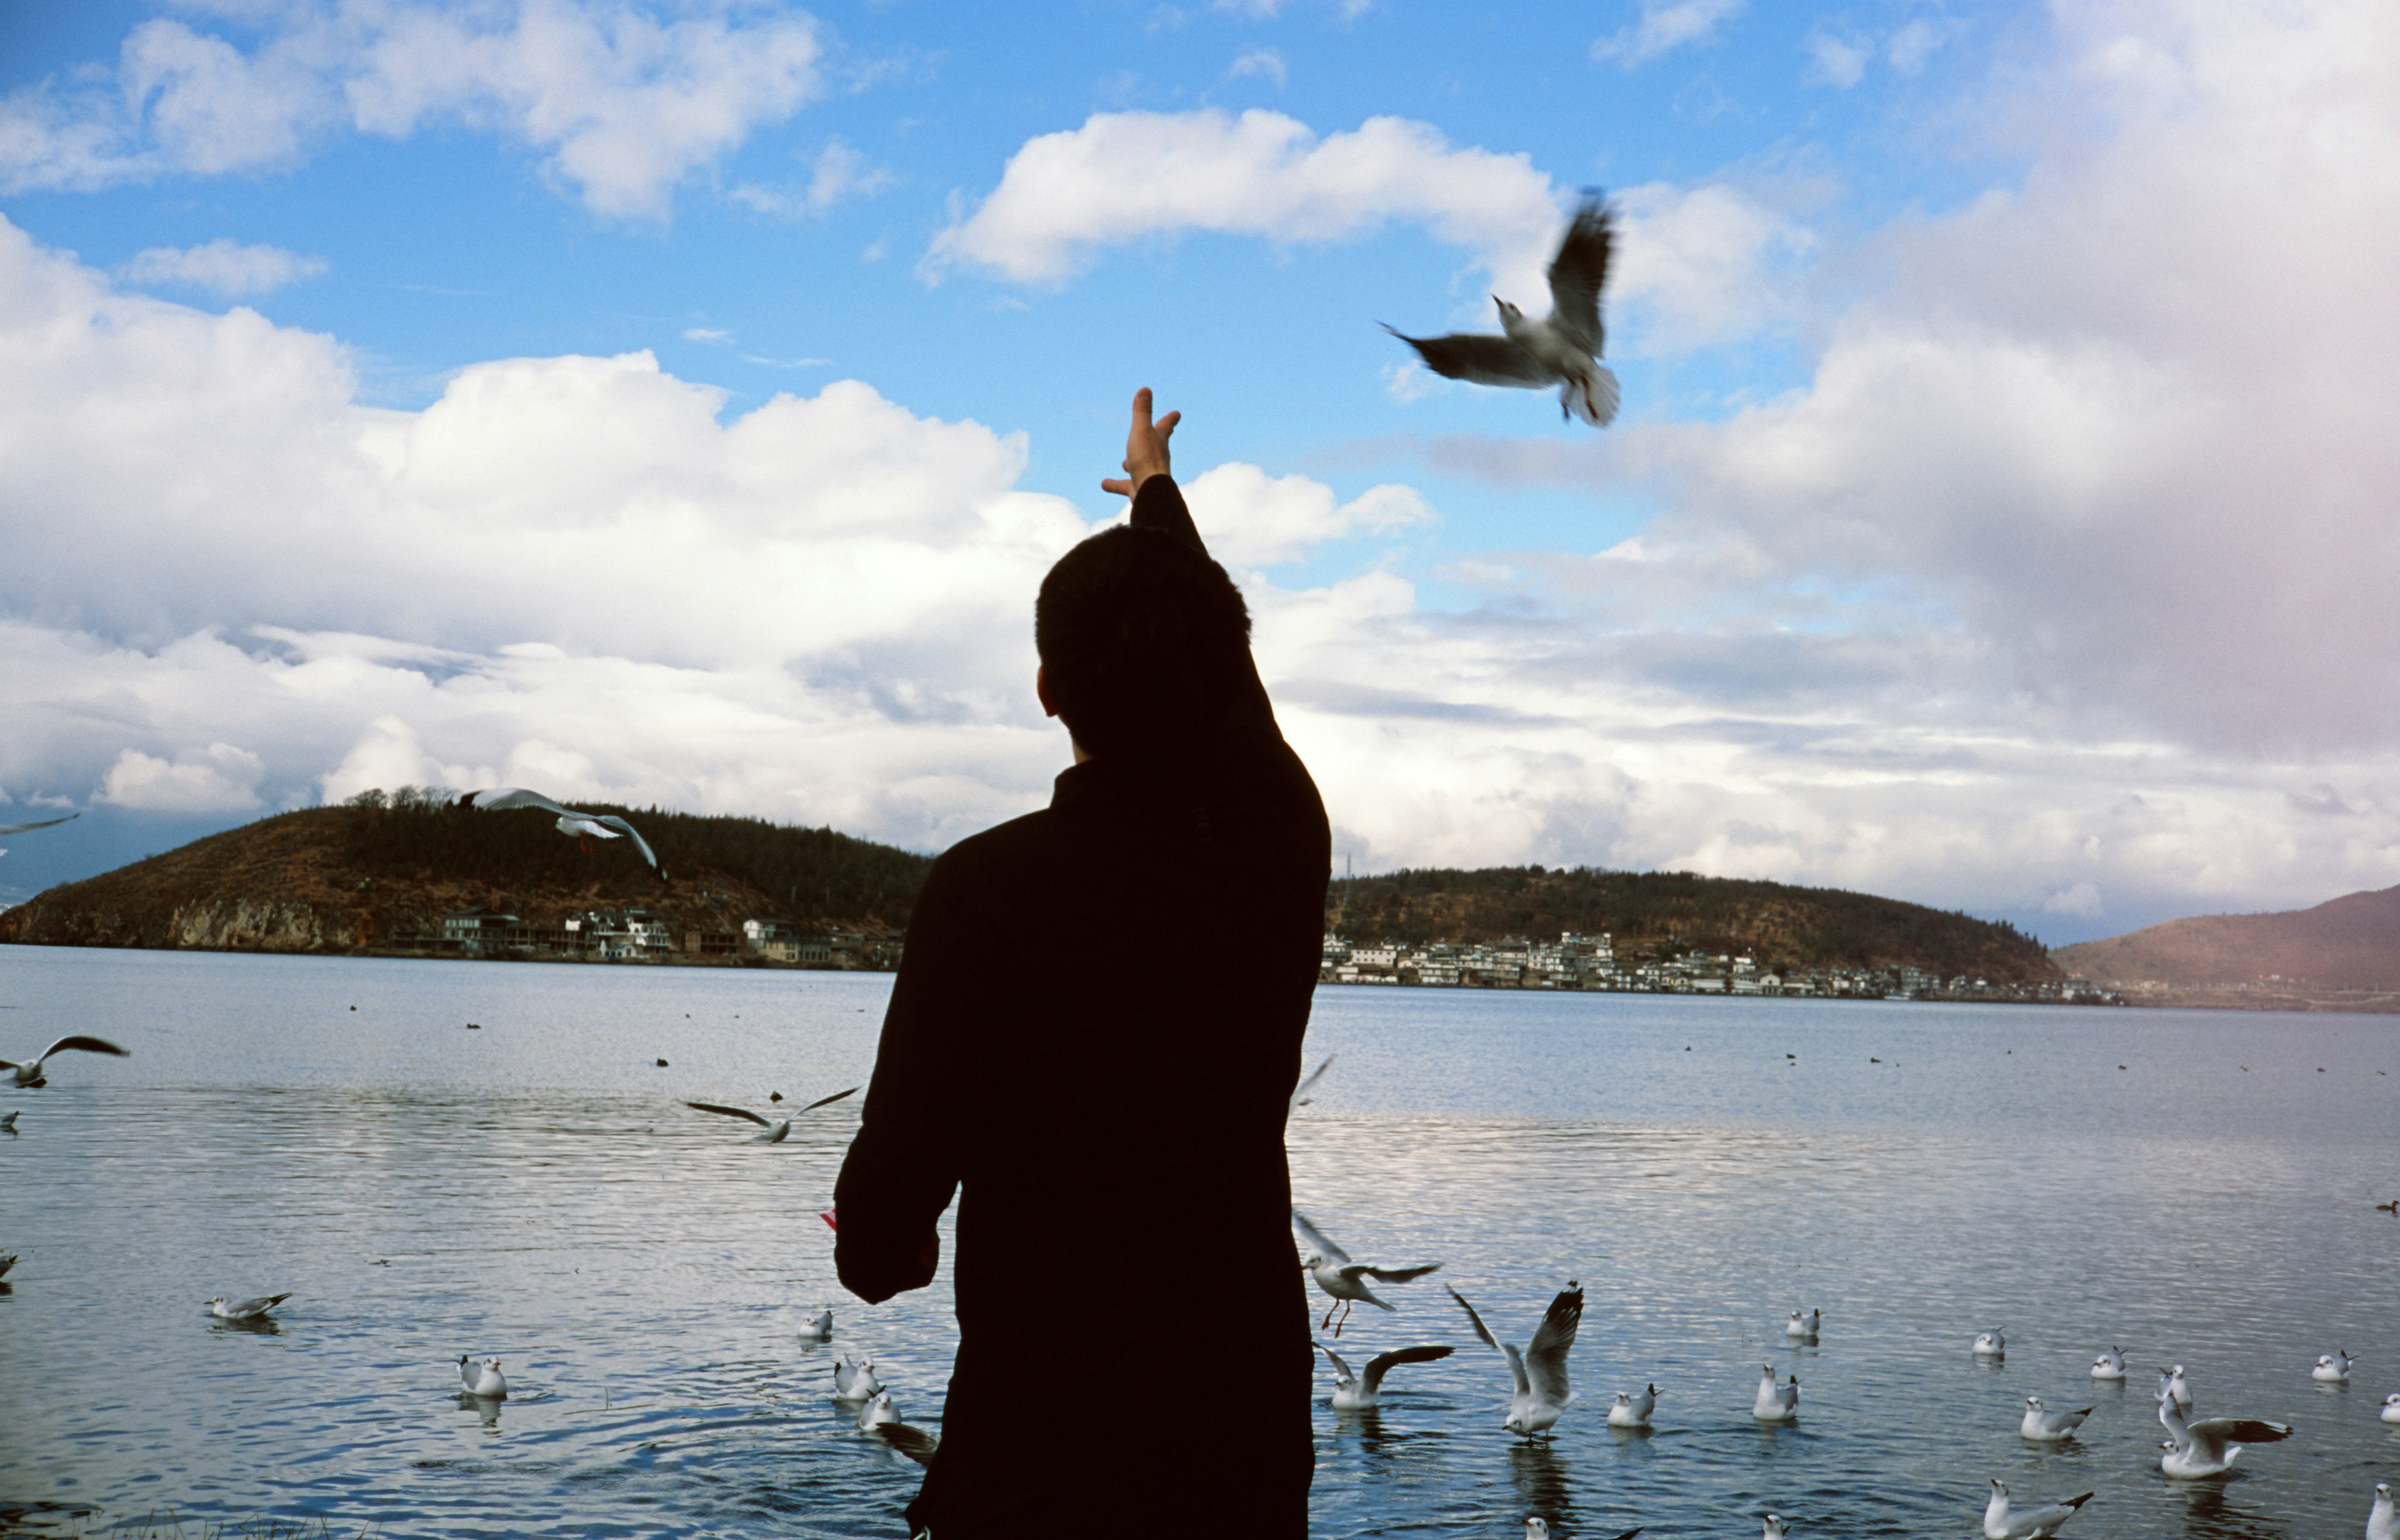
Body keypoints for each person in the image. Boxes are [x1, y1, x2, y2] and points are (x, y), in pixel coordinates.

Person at [832, 389, 1330, 1538]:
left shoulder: (987, 889)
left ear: (1050, 693)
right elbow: (1229, 673)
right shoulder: (1277, 839)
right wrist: (1158, 499)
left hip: (1043, 1465)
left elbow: (879, 1234)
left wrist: (888, 1243)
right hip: (1242, 1458)